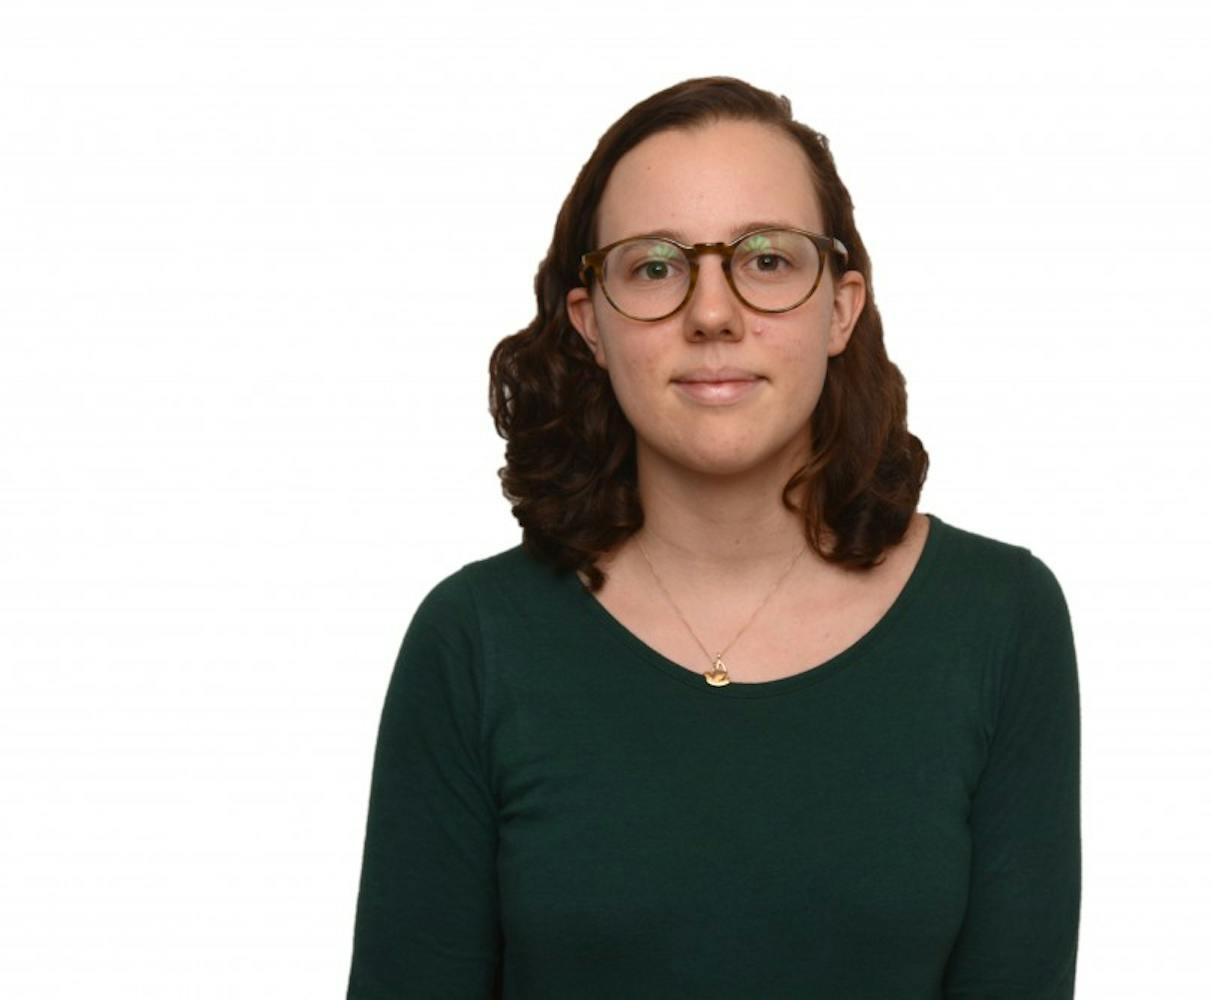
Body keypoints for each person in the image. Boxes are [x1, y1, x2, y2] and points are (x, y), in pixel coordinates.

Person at [346, 75, 1081, 999]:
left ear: (841, 307)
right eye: (654, 267)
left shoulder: (999, 618)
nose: (712, 313)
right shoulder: (474, 640)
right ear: (591, 325)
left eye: (766, 259)